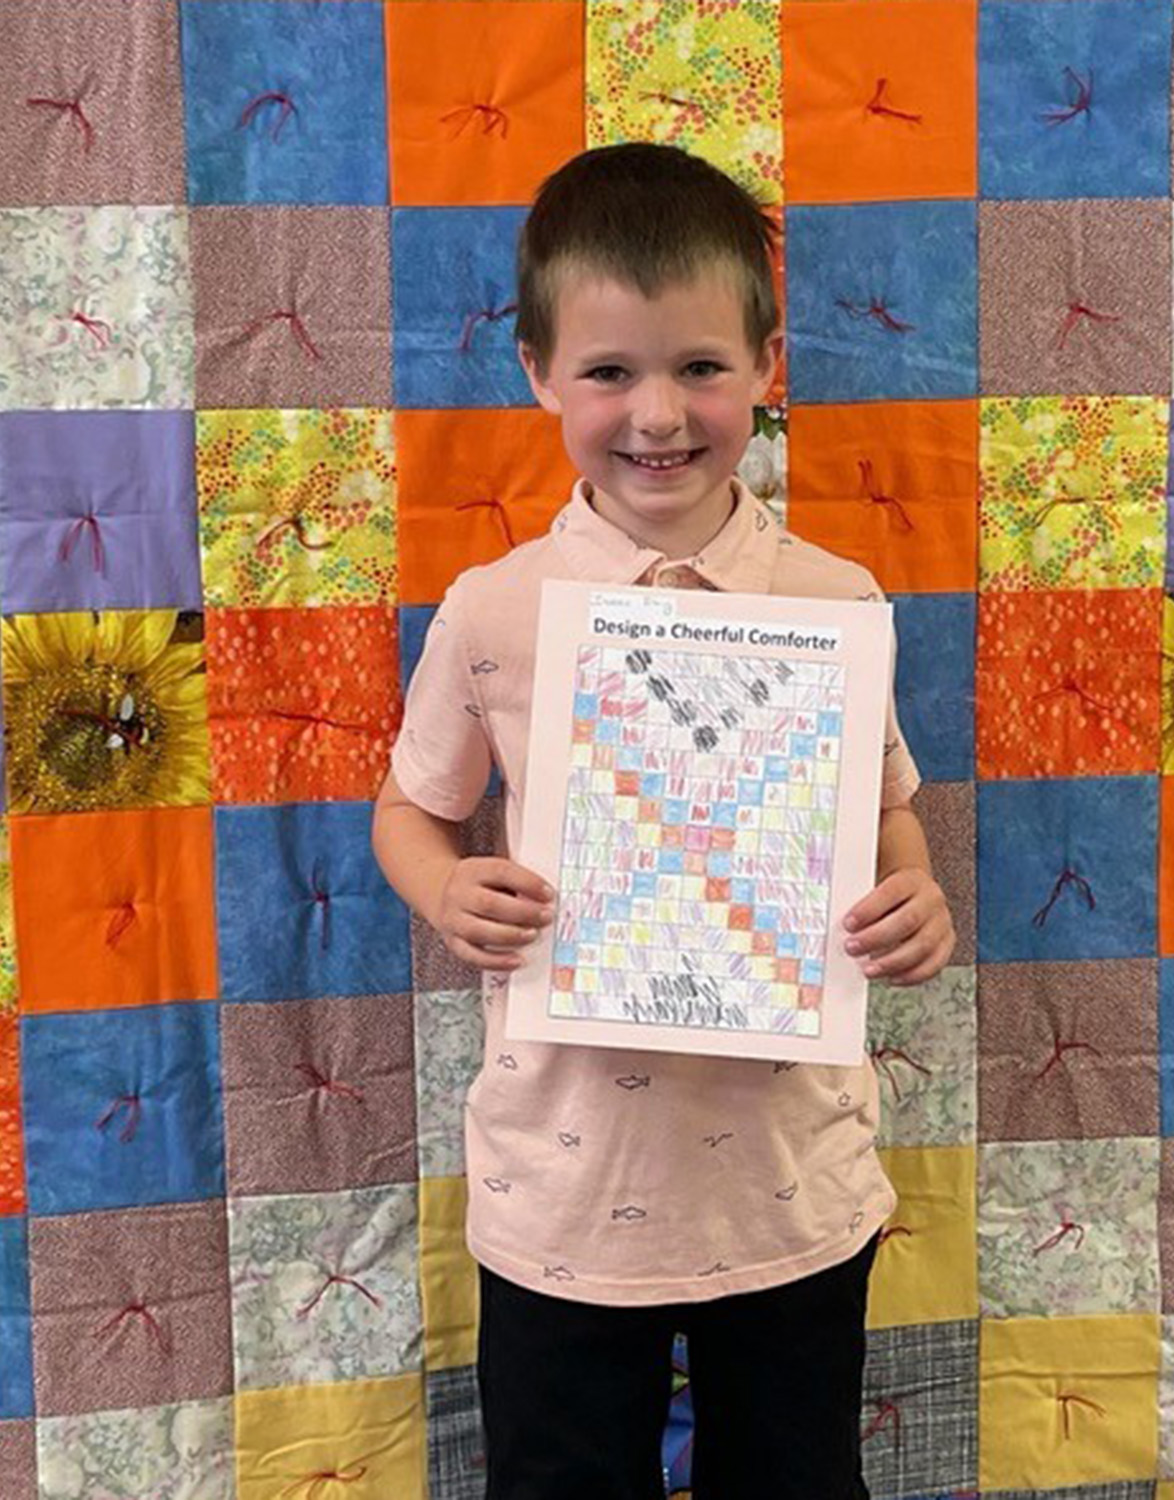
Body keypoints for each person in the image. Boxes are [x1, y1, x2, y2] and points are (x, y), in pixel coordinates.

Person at [371, 141, 956, 1500]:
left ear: (767, 364)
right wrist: (443, 887)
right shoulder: (496, 608)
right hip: (564, 1189)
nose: (658, 414)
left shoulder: (836, 599)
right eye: (609, 372)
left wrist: (912, 897)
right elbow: (411, 808)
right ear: (537, 374)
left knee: (795, 1478)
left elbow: (887, 818)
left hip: (787, 1187)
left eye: (699, 367)